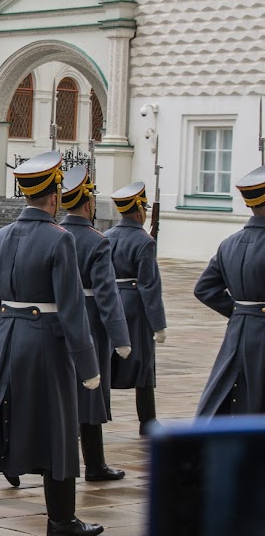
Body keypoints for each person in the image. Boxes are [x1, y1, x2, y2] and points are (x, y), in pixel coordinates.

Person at [0, 151, 102, 536]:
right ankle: (61, 520)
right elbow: (73, 310)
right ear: (56, 194)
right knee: (57, 428)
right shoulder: (61, 241)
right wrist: (89, 367)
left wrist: (12, 316)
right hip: (48, 344)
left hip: (7, 337)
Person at [59, 167, 132, 481]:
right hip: (89, 323)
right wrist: (120, 337)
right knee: (90, 393)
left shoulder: (54, 234)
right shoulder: (97, 241)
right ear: (88, 204)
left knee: (61, 391)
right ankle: (95, 464)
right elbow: (107, 294)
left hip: (56, 320)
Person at [194, 165, 265, 417]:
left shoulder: (229, 243)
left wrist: (240, 313)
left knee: (232, 395)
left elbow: (204, 289)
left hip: (238, 330)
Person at [105, 181, 167, 436]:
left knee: (104, 361)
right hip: (135, 306)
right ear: (140, 210)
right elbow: (149, 287)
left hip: (110, 301)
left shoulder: (106, 237)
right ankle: (148, 421)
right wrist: (159, 324)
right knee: (143, 366)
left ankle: (86, 418)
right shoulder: (144, 242)